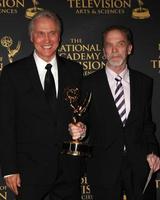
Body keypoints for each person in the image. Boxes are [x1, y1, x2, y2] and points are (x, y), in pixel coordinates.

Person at [0, 10, 85, 200]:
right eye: (40, 33)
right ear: (31, 37)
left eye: (52, 33)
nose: (47, 39)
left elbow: (79, 114)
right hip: (28, 170)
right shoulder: (12, 73)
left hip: (68, 169)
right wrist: (9, 169)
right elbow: (5, 124)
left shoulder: (74, 70)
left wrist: (81, 127)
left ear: (59, 36)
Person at [69, 25, 160, 200]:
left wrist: (153, 151)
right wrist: (80, 129)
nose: (115, 50)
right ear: (104, 51)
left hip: (140, 165)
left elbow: (147, 124)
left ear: (129, 48)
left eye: (120, 44)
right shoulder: (88, 84)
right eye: (109, 45)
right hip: (103, 166)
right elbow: (84, 121)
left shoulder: (144, 82)